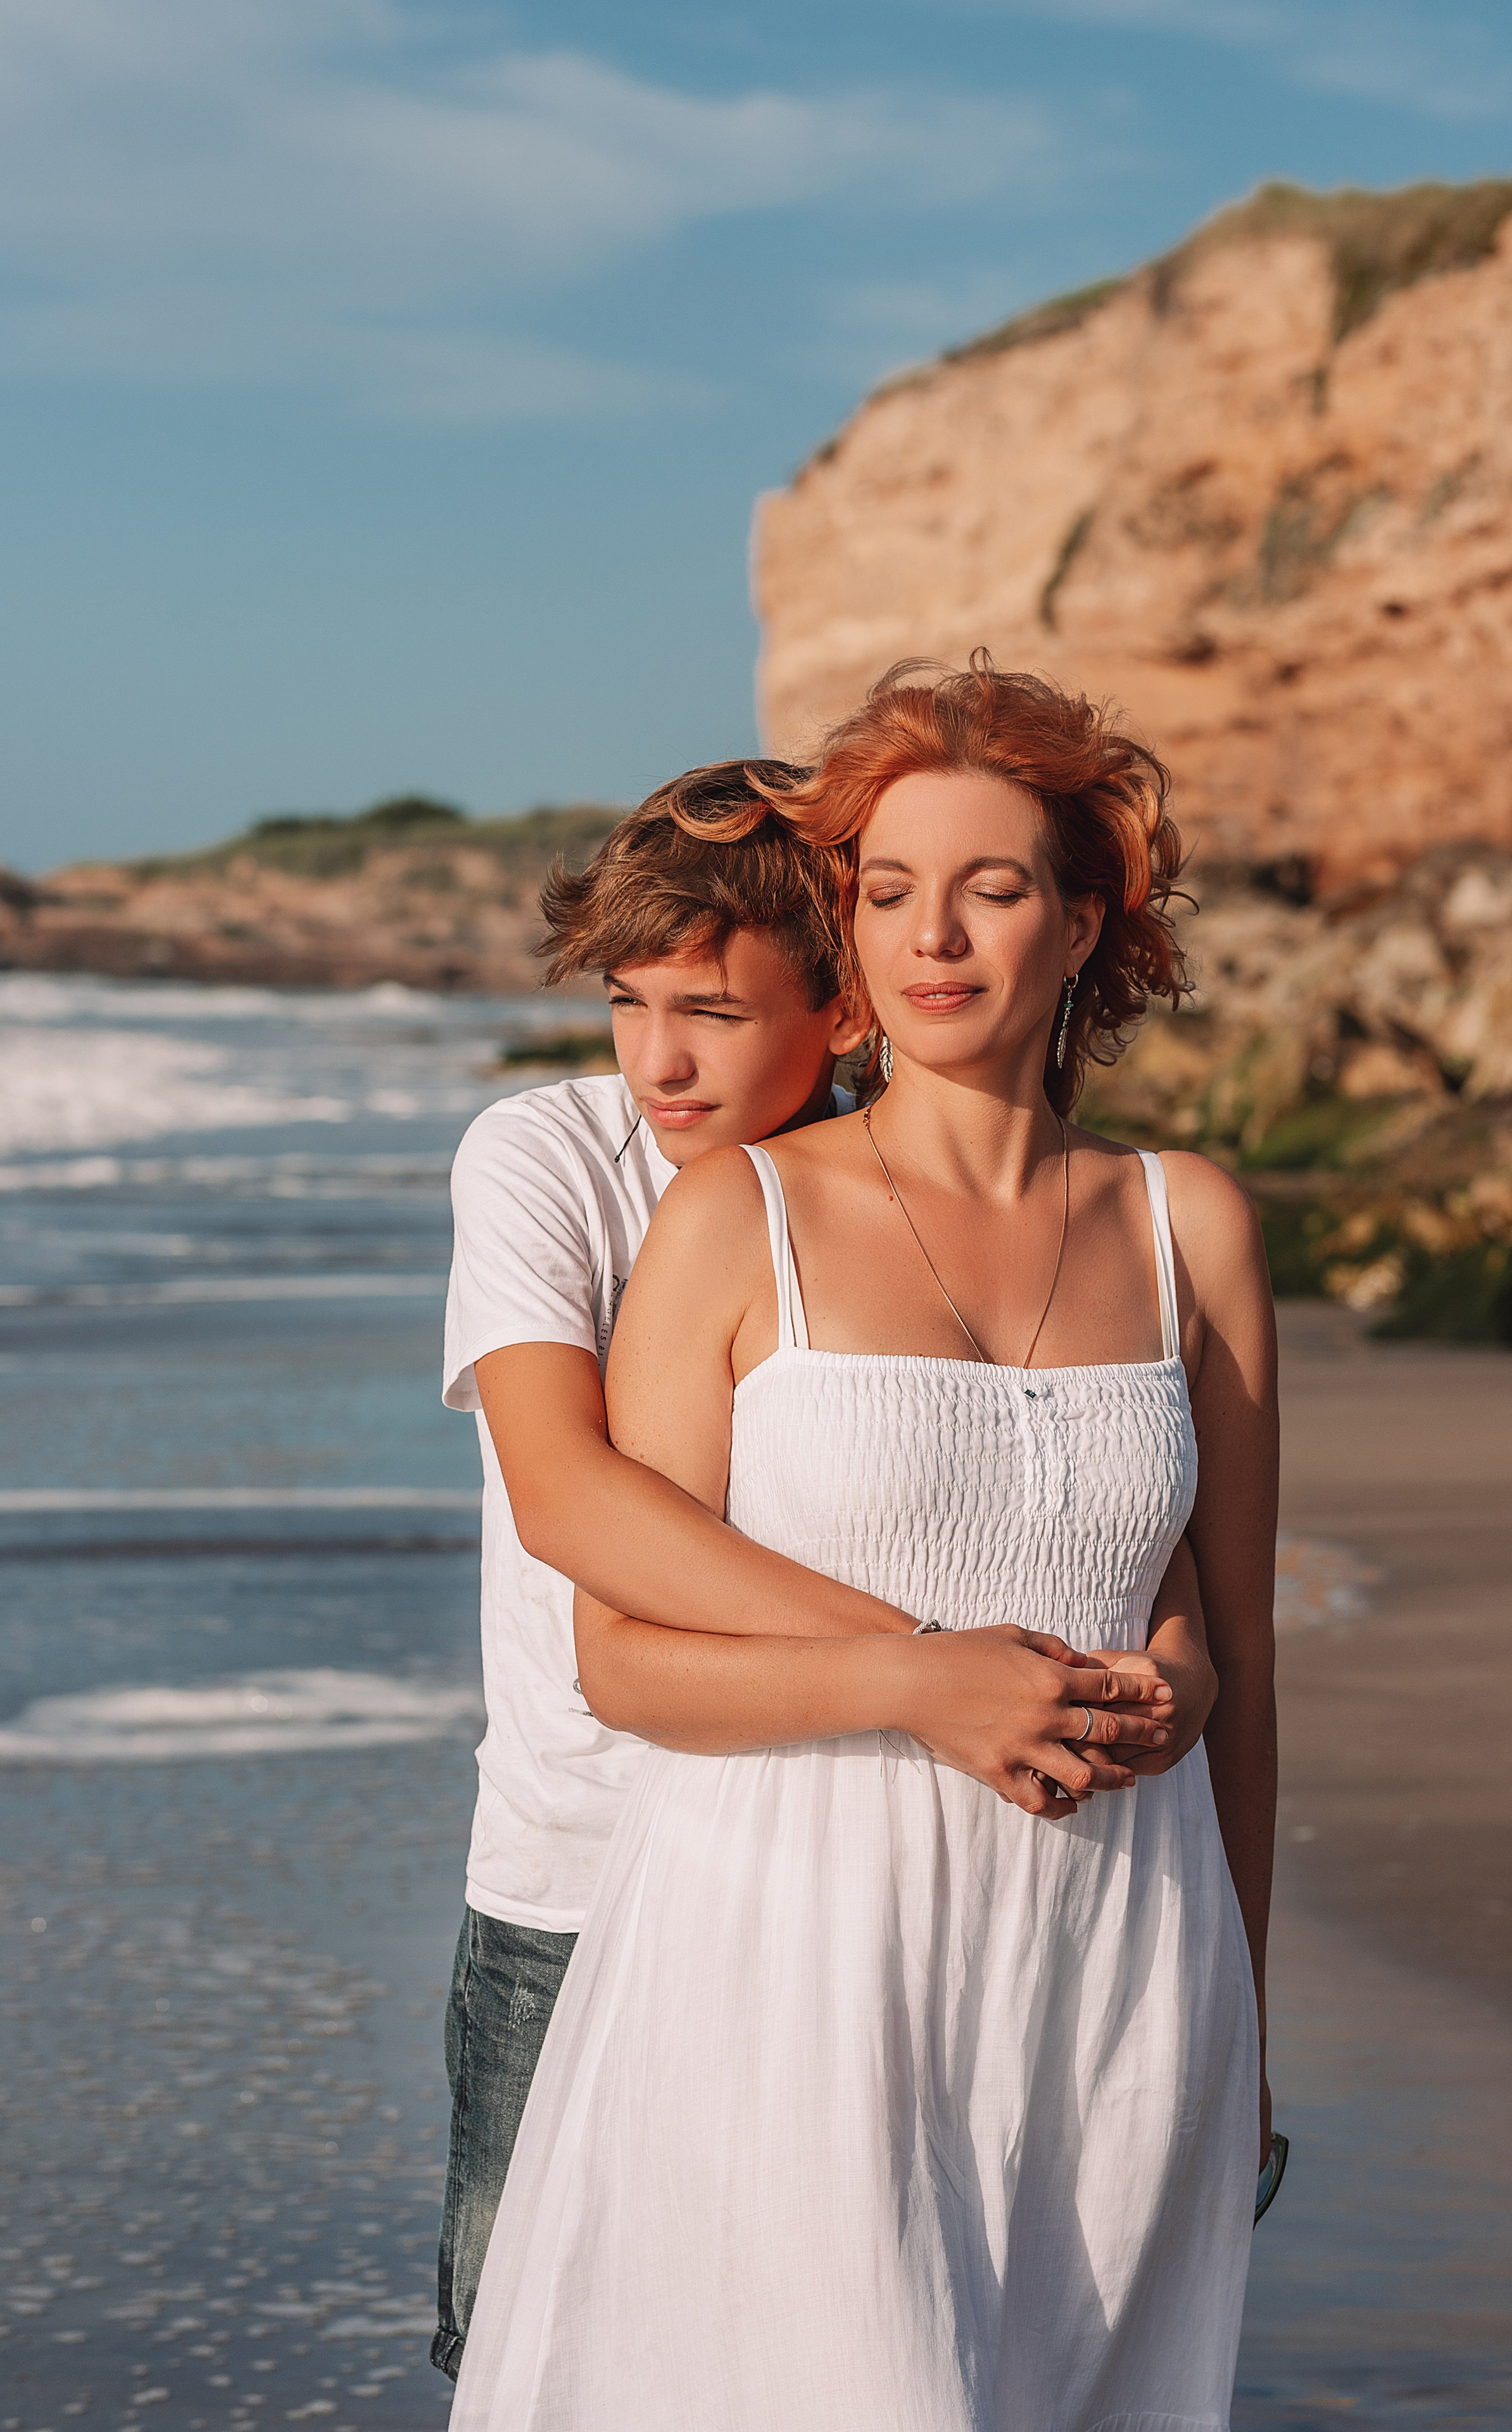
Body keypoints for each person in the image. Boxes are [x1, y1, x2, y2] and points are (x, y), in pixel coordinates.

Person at [450, 657, 1276, 2431]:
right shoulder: (725, 1214)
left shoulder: (1185, 1220)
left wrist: (1249, 2025)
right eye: (889, 891)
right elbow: (617, 1646)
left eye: (992, 889)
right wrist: (924, 1683)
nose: (936, 937)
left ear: (1086, 922)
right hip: (796, 1953)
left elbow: (1239, 1665)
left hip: (1121, 1969)